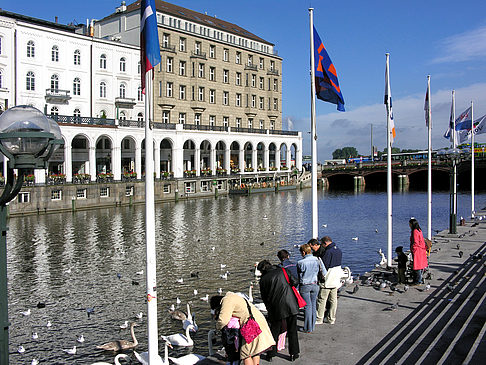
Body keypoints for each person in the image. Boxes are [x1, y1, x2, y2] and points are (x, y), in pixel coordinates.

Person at [211, 292, 275, 365]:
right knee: (255, 351)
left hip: (252, 326)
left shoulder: (227, 300)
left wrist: (217, 327)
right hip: (260, 323)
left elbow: (223, 320)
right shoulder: (237, 297)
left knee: (245, 354)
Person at [257, 259, 300, 362]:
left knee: (274, 331)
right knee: (292, 330)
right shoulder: (283, 271)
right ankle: (294, 354)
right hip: (290, 304)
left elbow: (264, 297)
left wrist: (269, 308)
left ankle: (270, 354)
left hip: (275, 307)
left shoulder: (263, 280)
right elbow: (295, 282)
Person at [311, 236, 342, 325]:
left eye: (322, 244)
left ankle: (319, 318)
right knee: (333, 300)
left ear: (325, 243)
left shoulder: (328, 252)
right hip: (336, 279)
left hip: (328, 279)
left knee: (322, 299)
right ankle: (331, 318)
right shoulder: (338, 250)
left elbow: (324, 267)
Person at [297, 243, 324, 333]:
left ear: (303, 252)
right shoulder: (317, 260)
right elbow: (324, 271)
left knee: (307, 306)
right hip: (315, 284)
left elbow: (299, 276)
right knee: (313, 305)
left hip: (305, 285)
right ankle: (312, 326)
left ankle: (307, 328)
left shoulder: (300, 263)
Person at [409, 218, 428, 285]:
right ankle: (418, 279)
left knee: (417, 266)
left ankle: (418, 281)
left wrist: (413, 248)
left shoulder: (415, 231)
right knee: (419, 266)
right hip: (421, 250)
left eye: (409, 224)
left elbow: (416, 242)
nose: (409, 225)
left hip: (417, 251)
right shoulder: (419, 230)